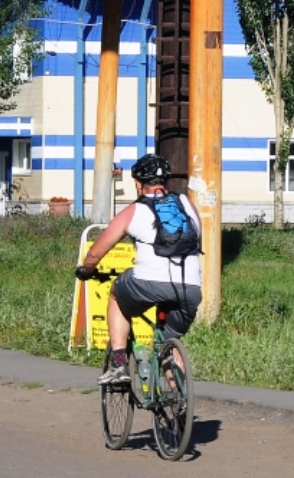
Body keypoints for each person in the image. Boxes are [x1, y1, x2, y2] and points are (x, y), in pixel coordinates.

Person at [75, 155, 202, 385]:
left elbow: (95, 253)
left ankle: (120, 363)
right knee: (168, 341)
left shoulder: (134, 211)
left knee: (116, 295)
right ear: (166, 182)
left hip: (147, 284)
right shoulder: (186, 204)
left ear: (137, 183)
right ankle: (178, 403)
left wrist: (85, 270)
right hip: (190, 288)